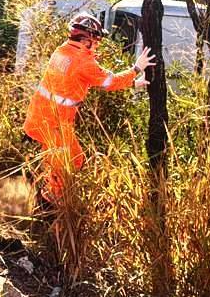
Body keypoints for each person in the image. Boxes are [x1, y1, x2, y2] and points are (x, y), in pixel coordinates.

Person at [23, 13, 153, 203]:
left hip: (41, 116)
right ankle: (49, 205)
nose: (98, 45)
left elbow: (82, 79)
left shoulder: (63, 51)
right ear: (86, 40)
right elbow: (109, 81)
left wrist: (133, 84)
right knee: (70, 162)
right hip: (54, 122)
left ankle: (43, 190)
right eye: (96, 40)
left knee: (67, 159)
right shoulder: (83, 62)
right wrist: (136, 69)